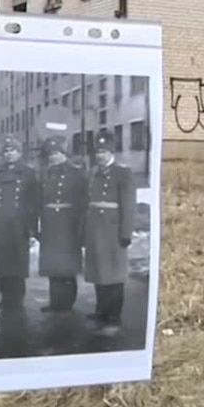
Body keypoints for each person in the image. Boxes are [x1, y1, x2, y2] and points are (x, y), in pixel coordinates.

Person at [83, 130, 136, 335]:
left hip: (113, 230)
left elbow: (129, 205)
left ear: (112, 152)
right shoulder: (93, 173)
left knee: (113, 275)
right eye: (98, 152)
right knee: (99, 272)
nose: (100, 156)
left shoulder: (123, 174)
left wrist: (126, 232)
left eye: (104, 151)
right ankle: (101, 312)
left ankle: (114, 317)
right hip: (95, 229)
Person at [0, 135, 41, 309]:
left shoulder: (28, 173)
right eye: (6, 151)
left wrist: (32, 228)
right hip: (1, 224)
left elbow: (34, 201)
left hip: (20, 225)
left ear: (19, 153)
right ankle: (5, 297)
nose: (9, 154)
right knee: (3, 263)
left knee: (18, 263)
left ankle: (17, 299)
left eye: (12, 150)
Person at [37, 137, 87, 313]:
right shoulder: (45, 173)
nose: (53, 157)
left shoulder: (76, 173)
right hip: (51, 224)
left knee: (67, 265)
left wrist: (80, 227)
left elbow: (82, 202)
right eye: (51, 154)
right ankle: (55, 302)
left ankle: (68, 302)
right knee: (53, 265)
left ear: (64, 154)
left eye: (57, 153)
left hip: (68, 224)